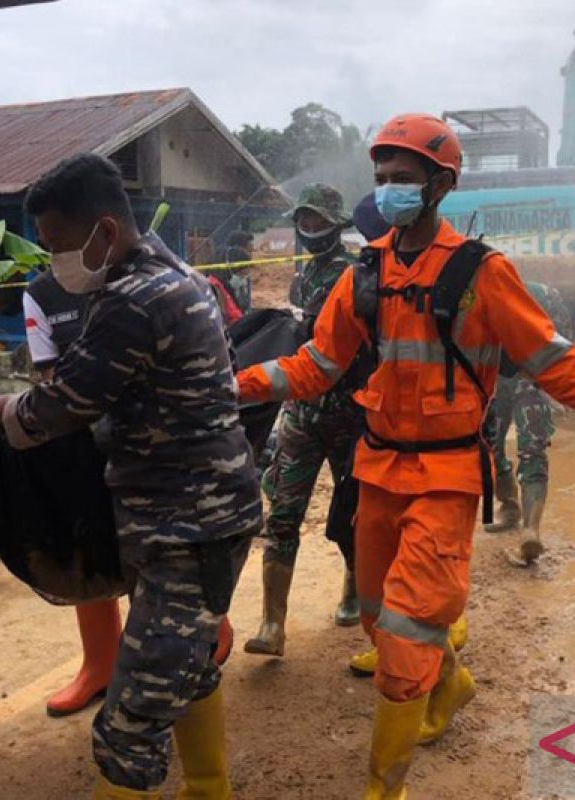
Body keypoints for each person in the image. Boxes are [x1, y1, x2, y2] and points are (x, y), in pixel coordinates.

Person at [236, 113, 575, 798]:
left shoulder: (481, 273)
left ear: (440, 184)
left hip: (445, 474)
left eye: (401, 180)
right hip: (379, 468)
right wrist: (233, 385)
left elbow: (552, 359)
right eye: (380, 180)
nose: (387, 192)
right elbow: (317, 364)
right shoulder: (366, 273)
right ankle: (452, 682)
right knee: (380, 620)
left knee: (406, 636)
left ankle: (385, 789)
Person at [0, 153, 262, 799]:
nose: (52, 260)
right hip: (186, 515)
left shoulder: (135, 299)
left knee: (126, 731)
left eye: (56, 243)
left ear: (102, 230)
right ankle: (209, 790)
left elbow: (55, 408)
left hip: (191, 526)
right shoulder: (173, 273)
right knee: (188, 671)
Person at [244, 182, 366, 657]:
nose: (310, 229)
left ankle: (354, 589)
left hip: (347, 414)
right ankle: (272, 624)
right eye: (304, 221)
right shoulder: (299, 279)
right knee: (284, 515)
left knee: (350, 512)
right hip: (301, 414)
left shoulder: (356, 275)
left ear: (336, 224)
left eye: (318, 221)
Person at [21, 270, 126, 718]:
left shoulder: (131, 275)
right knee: (87, 542)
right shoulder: (40, 293)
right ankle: (101, 664)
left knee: (161, 546)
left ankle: (203, 636)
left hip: (147, 433)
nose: (55, 243)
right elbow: (48, 373)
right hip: (79, 436)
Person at [483, 281, 572, 571]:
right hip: (493, 380)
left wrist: (556, 384)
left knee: (532, 448)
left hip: (531, 379)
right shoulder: (478, 296)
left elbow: (561, 344)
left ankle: (531, 530)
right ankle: (509, 505)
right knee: (489, 448)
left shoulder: (545, 296)